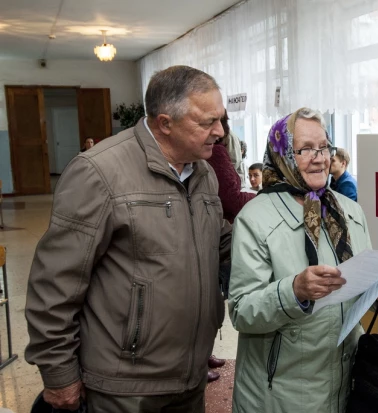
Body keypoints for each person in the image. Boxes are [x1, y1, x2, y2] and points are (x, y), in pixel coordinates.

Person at [25, 65, 231, 413]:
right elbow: (54, 283)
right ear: (165, 123)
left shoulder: (203, 173)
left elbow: (219, 243)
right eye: (207, 122)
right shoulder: (99, 172)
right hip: (124, 388)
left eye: (221, 119)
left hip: (190, 378)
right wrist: (58, 373)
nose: (220, 131)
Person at [228, 107, 378, 412]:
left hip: (345, 381)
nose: (320, 157)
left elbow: (355, 281)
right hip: (280, 391)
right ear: (281, 154)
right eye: (306, 149)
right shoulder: (254, 219)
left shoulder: (349, 211)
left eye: (324, 147)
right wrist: (294, 290)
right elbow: (242, 311)